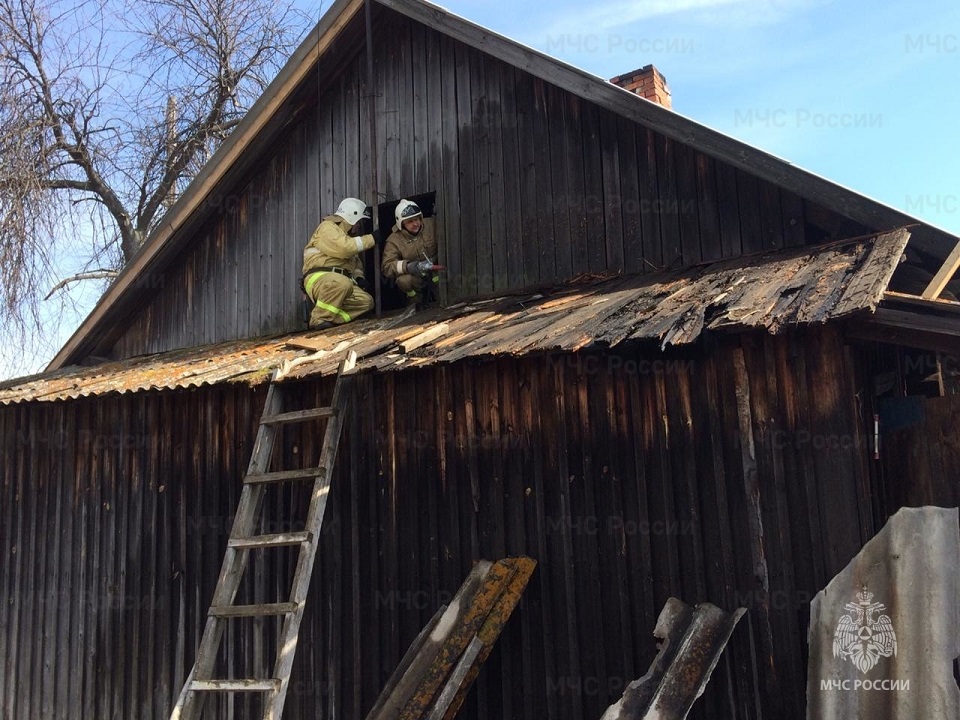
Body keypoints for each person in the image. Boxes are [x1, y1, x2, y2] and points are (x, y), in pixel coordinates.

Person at [301, 197, 376, 330]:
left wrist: (359, 278)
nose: (359, 226)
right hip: (319, 277)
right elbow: (344, 248)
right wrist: (371, 239)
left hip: (340, 280)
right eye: (358, 221)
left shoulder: (347, 238)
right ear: (351, 216)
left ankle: (333, 319)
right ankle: (319, 319)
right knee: (342, 283)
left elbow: (355, 264)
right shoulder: (327, 227)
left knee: (366, 302)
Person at [381, 199, 439, 307]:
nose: (416, 223)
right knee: (404, 281)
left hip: (436, 272)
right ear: (401, 223)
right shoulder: (393, 240)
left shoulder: (432, 225)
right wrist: (407, 267)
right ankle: (415, 304)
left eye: (417, 219)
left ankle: (442, 299)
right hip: (415, 276)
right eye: (410, 221)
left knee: (442, 283)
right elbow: (386, 267)